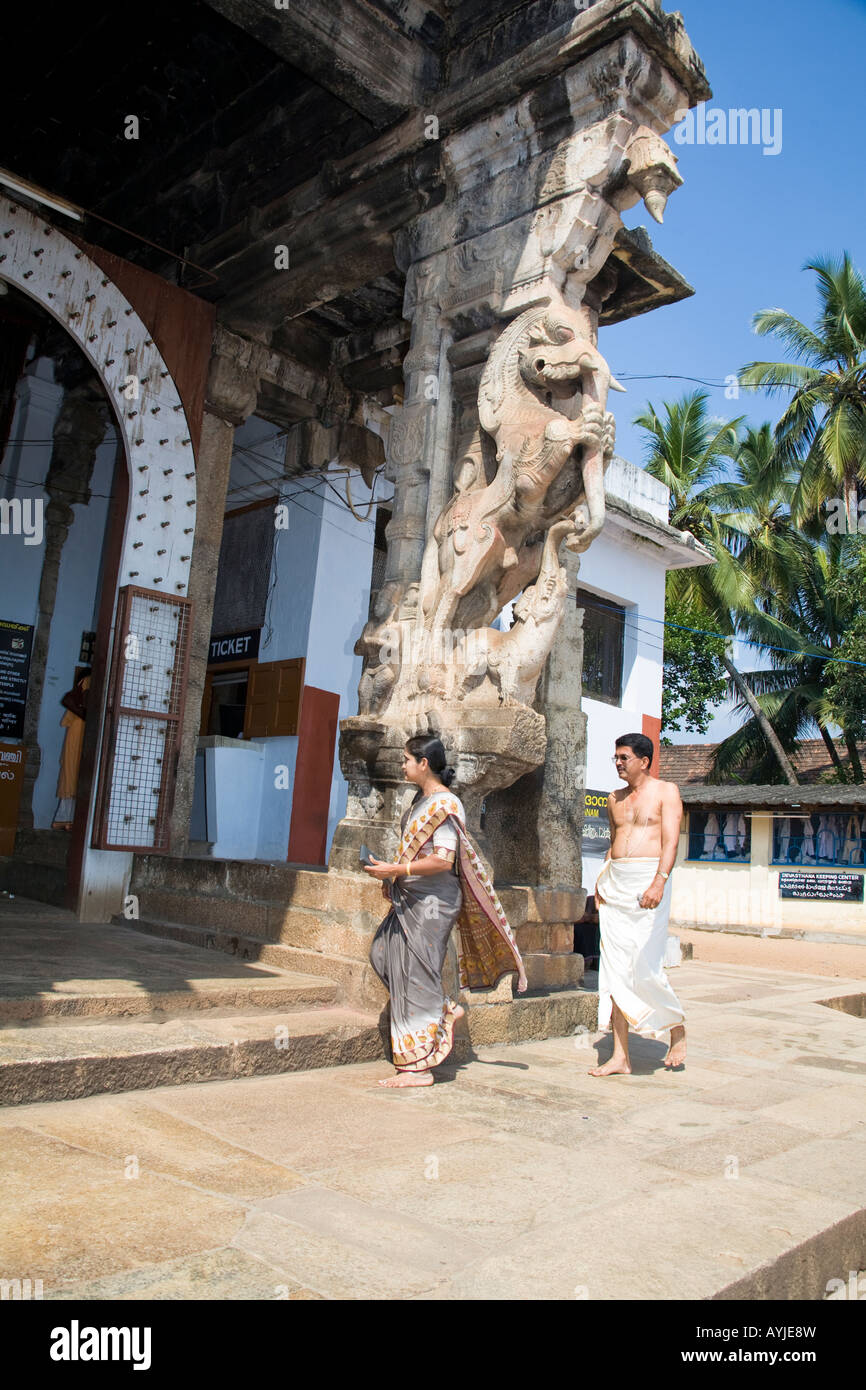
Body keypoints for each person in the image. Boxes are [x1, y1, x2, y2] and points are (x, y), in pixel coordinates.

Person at [364, 733, 527, 1088]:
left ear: (424, 763)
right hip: (410, 897)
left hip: (433, 902)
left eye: (407, 759)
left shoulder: (447, 804)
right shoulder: (417, 802)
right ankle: (442, 1010)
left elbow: (443, 859)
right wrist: (390, 874)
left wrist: (397, 871)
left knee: (418, 976)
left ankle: (418, 1067)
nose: (403, 765)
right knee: (382, 954)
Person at [589, 732, 686, 1076]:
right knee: (614, 970)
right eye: (615, 757)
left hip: (649, 880)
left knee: (644, 965)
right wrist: (601, 881)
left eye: (624, 757)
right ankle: (620, 1056)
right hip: (616, 881)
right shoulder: (613, 799)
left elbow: (671, 841)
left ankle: (676, 1027)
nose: (618, 763)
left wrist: (659, 880)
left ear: (644, 761)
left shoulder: (666, 792)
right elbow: (613, 842)